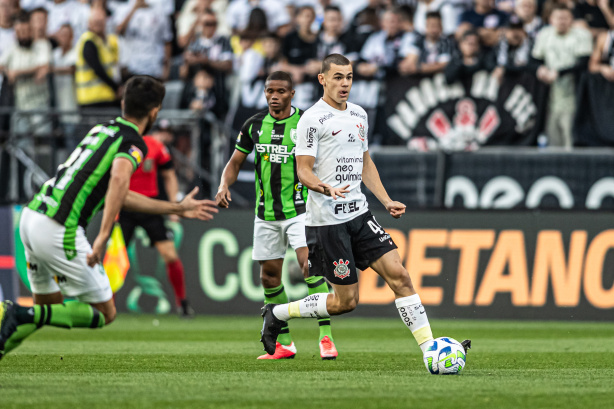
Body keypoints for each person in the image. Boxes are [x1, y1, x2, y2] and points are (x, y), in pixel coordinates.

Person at [259, 54, 471, 358]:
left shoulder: (359, 114)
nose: (345, 83)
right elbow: (303, 169)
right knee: (345, 302)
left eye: (349, 77)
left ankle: (430, 350)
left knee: (400, 276)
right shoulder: (311, 119)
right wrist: (324, 186)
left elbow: (364, 162)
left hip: (359, 213)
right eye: (337, 77)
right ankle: (278, 313)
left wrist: (386, 200)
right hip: (327, 222)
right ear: (322, 79)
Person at [0, 76, 218, 360]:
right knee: (105, 311)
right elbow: (119, 180)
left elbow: (121, 193)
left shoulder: (101, 130)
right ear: (155, 111)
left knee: (47, 306)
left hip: (31, 217)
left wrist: (175, 207)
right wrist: (102, 235)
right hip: (58, 227)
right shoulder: (134, 142)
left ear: (123, 103)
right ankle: (15, 310)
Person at [216, 71, 337, 360]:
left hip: (300, 210)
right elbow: (235, 161)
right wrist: (223, 184)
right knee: (269, 277)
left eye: (281, 91)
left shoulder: (306, 123)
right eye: (270, 90)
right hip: (266, 213)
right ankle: (284, 343)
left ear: (291, 94)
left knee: (310, 268)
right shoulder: (254, 125)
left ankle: (326, 337)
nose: (274, 96)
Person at [118, 122, 195, 318]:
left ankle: (183, 303)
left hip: (149, 207)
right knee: (114, 257)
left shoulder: (155, 146)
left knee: (170, 255)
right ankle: (103, 302)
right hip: (125, 206)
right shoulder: (122, 143)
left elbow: (169, 176)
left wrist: (174, 208)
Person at [532, 4, 593, 147]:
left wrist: (559, 73)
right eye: (558, 18)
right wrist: (540, 69)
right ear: (551, 19)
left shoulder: (581, 35)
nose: (562, 21)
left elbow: (584, 63)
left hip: (573, 93)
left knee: (570, 134)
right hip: (550, 94)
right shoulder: (545, 34)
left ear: (571, 19)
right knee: (552, 135)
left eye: (565, 18)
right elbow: (534, 60)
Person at [75, 7, 120, 108]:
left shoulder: (106, 41)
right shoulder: (88, 41)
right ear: (89, 23)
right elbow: (97, 68)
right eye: (95, 21)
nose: (98, 24)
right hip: (91, 99)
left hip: (106, 96)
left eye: (101, 21)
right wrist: (116, 87)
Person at [399, 11, 453, 76]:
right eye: (431, 25)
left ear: (441, 27)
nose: (433, 29)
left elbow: (442, 65)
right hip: (420, 78)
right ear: (426, 26)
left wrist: (419, 68)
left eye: (436, 26)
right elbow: (410, 60)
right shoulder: (420, 40)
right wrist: (407, 66)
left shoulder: (446, 42)